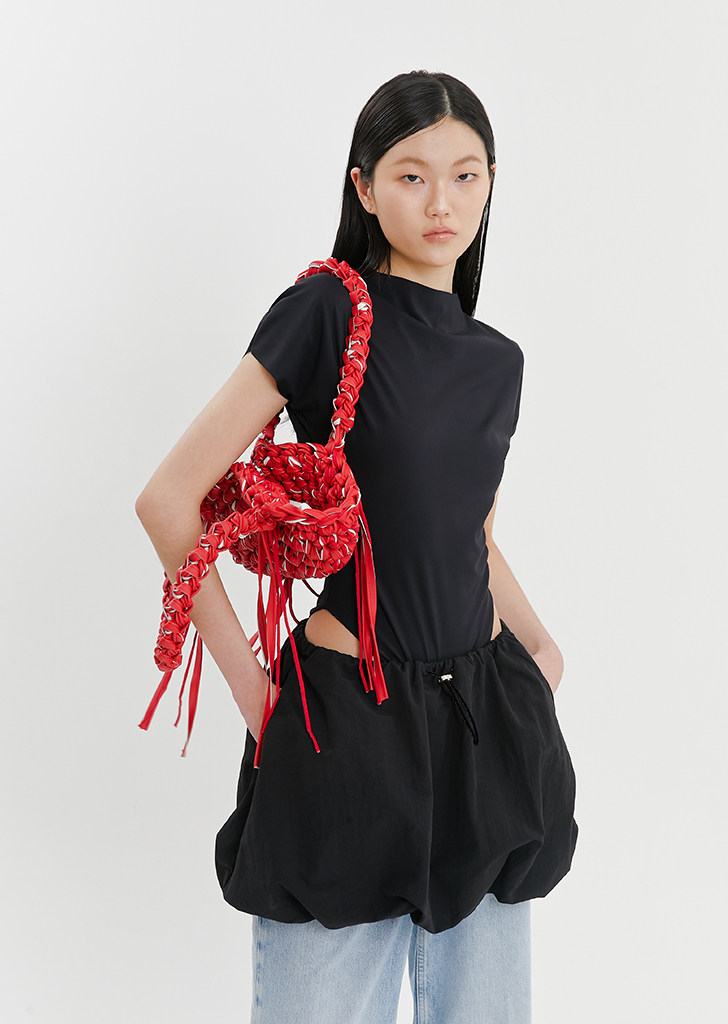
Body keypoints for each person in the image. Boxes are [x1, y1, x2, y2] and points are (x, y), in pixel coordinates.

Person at [136, 69, 578, 1024]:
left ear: (490, 184)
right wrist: (260, 700)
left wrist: (541, 649)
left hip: (484, 729)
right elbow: (169, 502)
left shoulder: (496, 360)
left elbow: (470, 533)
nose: (441, 201)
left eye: (465, 175)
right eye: (412, 176)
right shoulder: (326, 314)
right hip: (345, 728)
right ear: (364, 187)